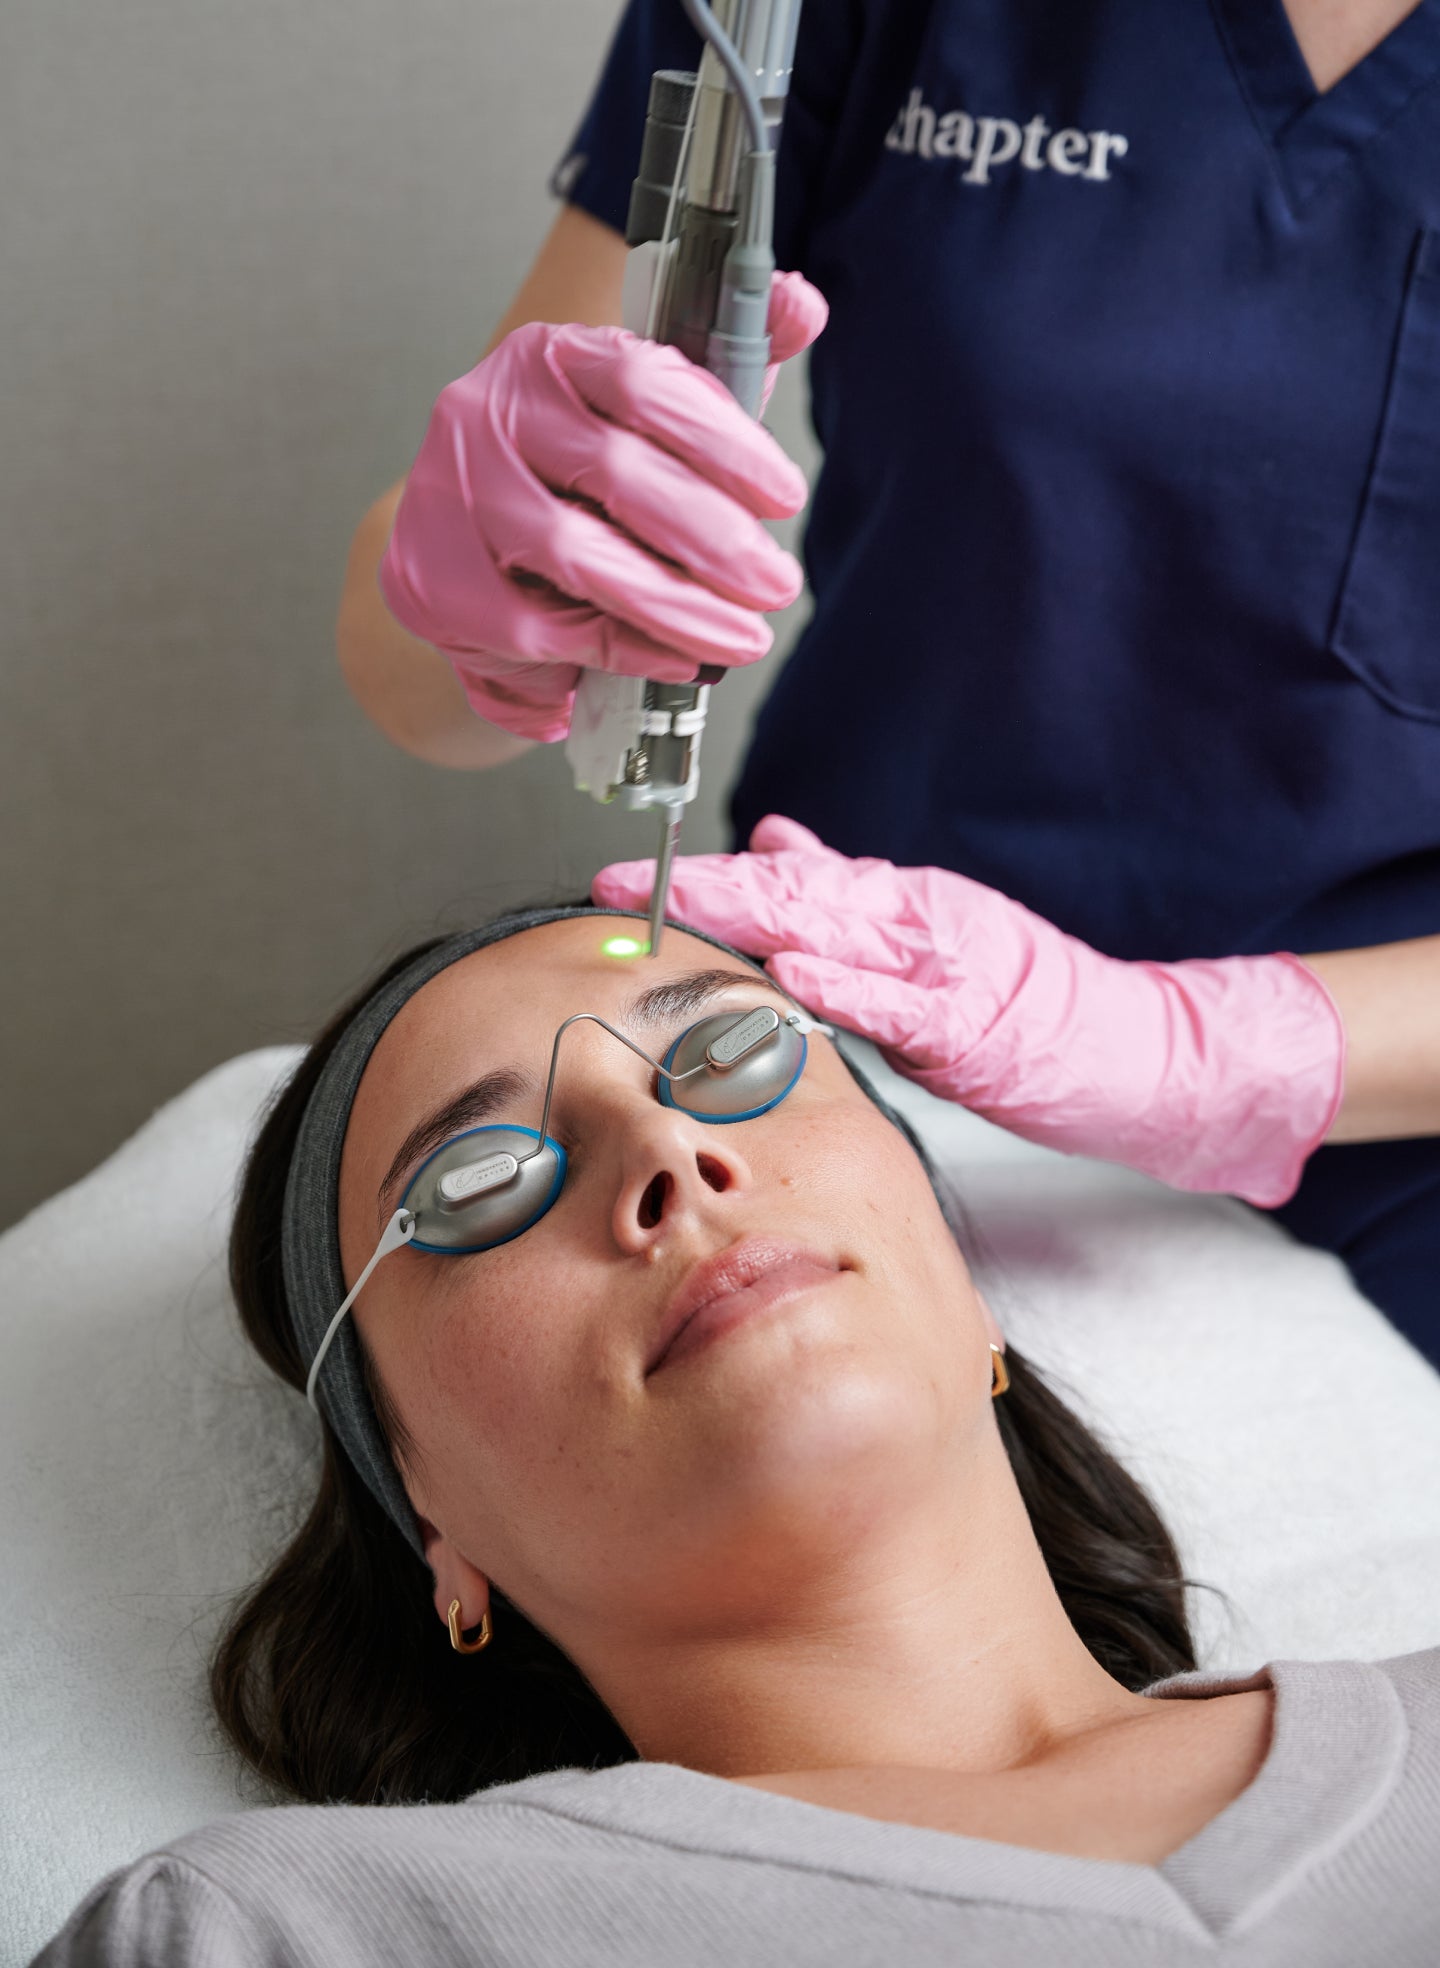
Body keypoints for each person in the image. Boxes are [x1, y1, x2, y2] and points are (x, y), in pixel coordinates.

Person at [336, 0, 1440, 1354]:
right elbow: (409, 670)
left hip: (1401, 1117)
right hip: (833, 1029)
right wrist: (481, 590)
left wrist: (1199, 1055)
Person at [33, 908, 1440, 1965]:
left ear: (971, 1293)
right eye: (479, 1178)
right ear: (427, 1519)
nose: (664, 1152)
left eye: (730, 1050)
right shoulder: (287, 1938)